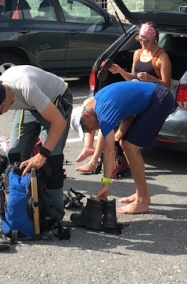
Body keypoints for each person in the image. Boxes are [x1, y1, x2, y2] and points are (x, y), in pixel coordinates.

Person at [0, 65, 72, 223]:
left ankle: (54, 215)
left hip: (54, 99)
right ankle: (20, 206)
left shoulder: (26, 87)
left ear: (6, 100)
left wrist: (42, 155)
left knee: (51, 161)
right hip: (28, 105)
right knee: (15, 155)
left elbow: (59, 123)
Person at [75, 22, 172, 173]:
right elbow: (133, 79)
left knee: (116, 131)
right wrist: (119, 70)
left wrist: (151, 78)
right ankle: (94, 156)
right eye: (140, 40)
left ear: (154, 38)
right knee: (99, 113)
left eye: (146, 40)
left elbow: (166, 85)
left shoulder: (161, 57)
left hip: (150, 98)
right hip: (135, 94)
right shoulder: (137, 54)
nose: (142, 43)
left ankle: (111, 157)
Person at [72, 80, 175, 214]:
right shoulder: (95, 105)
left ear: (86, 115)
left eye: (86, 127)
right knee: (124, 144)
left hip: (160, 99)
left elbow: (110, 152)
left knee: (131, 147)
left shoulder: (103, 111)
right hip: (149, 100)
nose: (90, 130)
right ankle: (141, 194)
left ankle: (142, 201)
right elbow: (124, 115)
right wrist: (95, 159)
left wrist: (106, 184)